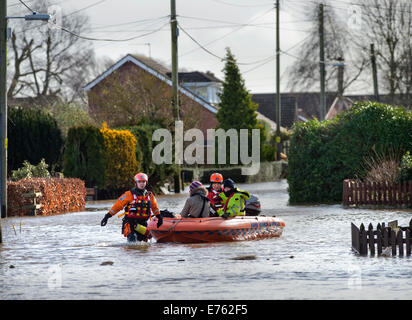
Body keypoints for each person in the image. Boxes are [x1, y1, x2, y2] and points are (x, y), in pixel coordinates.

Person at [100, 172, 163, 242]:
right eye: (139, 182)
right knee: (132, 241)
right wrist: (107, 216)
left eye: (143, 182)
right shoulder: (129, 194)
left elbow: (155, 208)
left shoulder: (149, 195)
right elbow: (117, 206)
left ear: (146, 182)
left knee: (144, 244)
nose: (142, 184)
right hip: (130, 223)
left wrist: (159, 217)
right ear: (135, 183)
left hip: (143, 223)